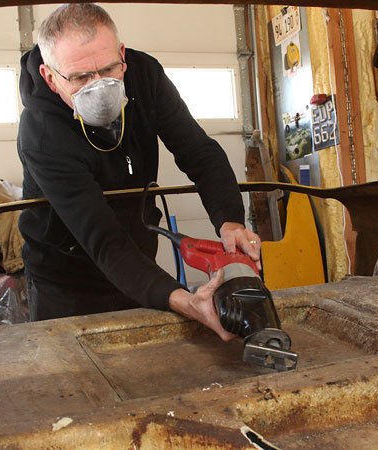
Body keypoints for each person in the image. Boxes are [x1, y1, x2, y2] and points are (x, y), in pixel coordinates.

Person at [17, 3, 261, 340]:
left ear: (122, 55)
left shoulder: (145, 77)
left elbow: (200, 153)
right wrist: (188, 303)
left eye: (108, 69)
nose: (99, 86)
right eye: (81, 77)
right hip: (67, 280)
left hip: (137, 261)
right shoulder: (42, 133)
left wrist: (230, 219)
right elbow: (104, 241)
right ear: (49, 76)